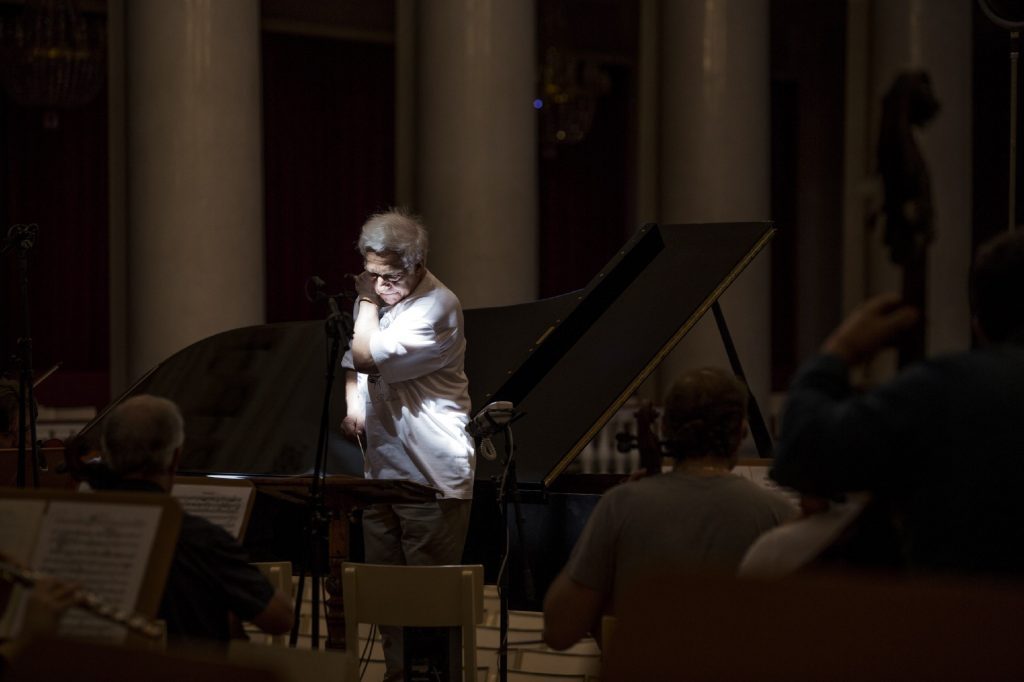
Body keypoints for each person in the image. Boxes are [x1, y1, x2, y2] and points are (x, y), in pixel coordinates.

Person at [771, 229, 1024, 577]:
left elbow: (804, 451)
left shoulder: (946, 389)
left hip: (969, 617)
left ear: (979, 325)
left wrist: (839, 353)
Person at [542, 367, 797, 650]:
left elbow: (559, 629)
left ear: (664, 428)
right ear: (741, 433)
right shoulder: (779, 513)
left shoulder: (621, 505)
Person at [340, 209, 475, 678]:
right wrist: (355, 405)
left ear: (417, 264)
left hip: (429, 476)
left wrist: (365, 303)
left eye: (389, 276)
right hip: (383, 472)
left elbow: (363, 353)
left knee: (429, 608)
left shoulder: (437, 307)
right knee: (387, 601)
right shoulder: (384, 297)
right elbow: (351, 368)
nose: (379, 286)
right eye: (371, 276)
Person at [97, 394, 293, 643]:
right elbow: (280, 618)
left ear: (107, 456)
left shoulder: (75, 529)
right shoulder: (200, 539)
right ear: (175, 458)